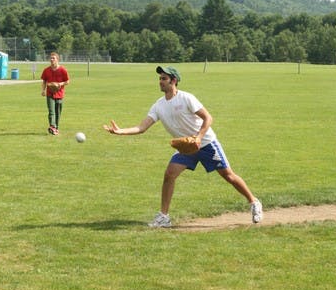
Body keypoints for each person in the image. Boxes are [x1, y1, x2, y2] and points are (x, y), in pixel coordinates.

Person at [103, 65, 263, 228]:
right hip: (186, 147)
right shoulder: (158, 105)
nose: (160, 81)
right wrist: (120, 131)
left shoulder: (186, 98)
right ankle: (164, 217)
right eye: (160, 78)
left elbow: (208, 117)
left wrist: (199, 137)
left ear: (174, 81)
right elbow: (142, 127)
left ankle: (254, 202)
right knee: (169, 174)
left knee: (228, 176)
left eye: (164, 78)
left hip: (206, 143)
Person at [41, 52, 70, 135]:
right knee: (51, 111)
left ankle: (56, 128)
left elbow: (67, 81)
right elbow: (44, 81)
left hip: (59, 94)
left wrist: (60, 84)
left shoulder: (63, 70)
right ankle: (52, 126)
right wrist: (43, 90)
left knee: (58, 112)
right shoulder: (46, 70)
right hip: (49, 94)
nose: (51, 59)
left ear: (57, 60)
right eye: (50, 58)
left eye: (53, 58)